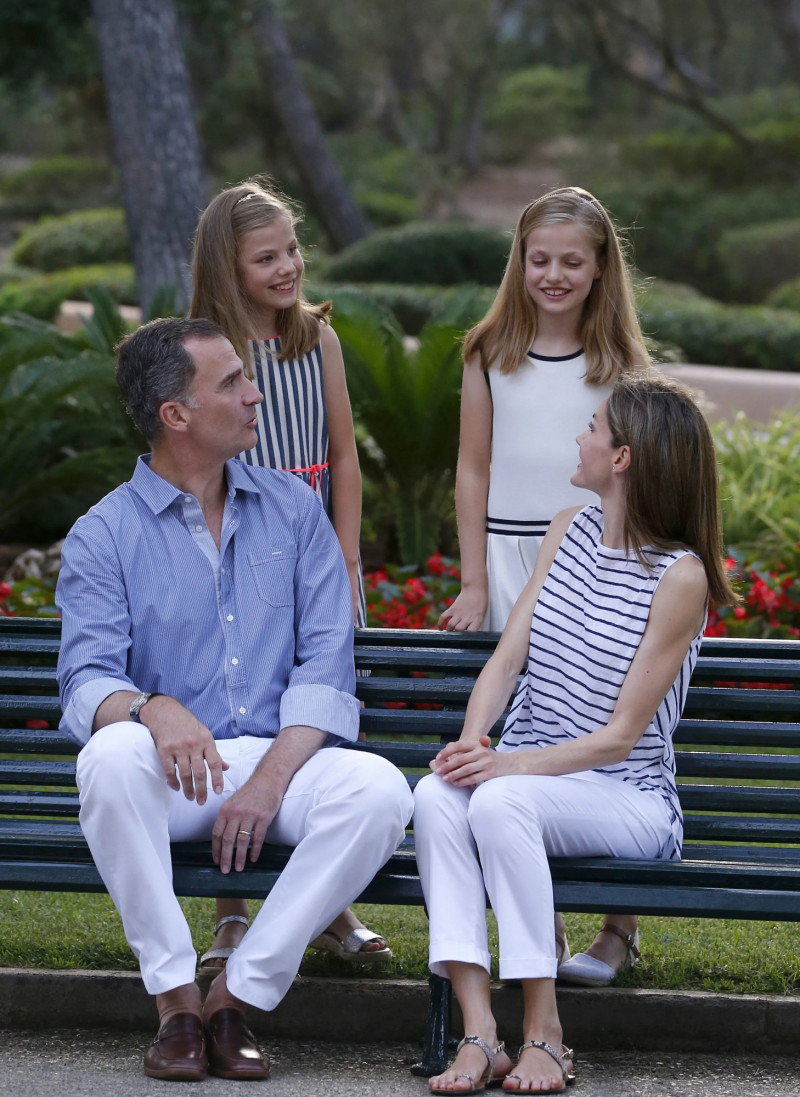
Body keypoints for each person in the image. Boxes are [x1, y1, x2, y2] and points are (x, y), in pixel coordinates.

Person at [56, 317, 413, 1081]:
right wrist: (154, 708)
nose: (256, 395)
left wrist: (269, 781)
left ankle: (233, 999)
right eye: (231, 383)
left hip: (277, 761)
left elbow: (326, 662)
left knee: (380, 790)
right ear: (174, 415)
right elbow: (86, 681)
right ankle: (176, 1005)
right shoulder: (104, 534)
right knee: (109, 758)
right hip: (178, 770)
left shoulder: (294, 509)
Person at [415, 373, 738, 1093]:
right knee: (437, 795)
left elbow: (622, 737)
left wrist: (507, 769)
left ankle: (545, 1032)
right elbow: (508, 658)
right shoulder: (568, 527)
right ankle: (479, 1031)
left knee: (499, 803)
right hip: (531, 777)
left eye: (593, 426)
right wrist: (476, 744)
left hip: (626, 794)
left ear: (622, 457)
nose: (580, 437)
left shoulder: (680, 577)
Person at [438, 186, 649, 985]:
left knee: (596, 720)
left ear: (600, 270)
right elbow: (473, 467)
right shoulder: (489, 351)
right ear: (519, 262)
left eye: (571, 262)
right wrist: (470, 580)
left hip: (596, 560)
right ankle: (543, 928)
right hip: (506, 560)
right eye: (539, 260)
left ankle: (619, 925)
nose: (553, 275)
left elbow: (639, 475)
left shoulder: (620, 365)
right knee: (525, 730)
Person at [190, 178, 387, 968]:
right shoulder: (205, 352)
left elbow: (343, 456)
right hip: (237, 557)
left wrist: (345, 556)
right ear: (226, 265)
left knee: (317, 722)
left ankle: (329, 906)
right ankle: (231, 912)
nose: (287, 267)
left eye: (292, 250)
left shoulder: (318, 341)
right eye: (265, 257)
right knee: (235, 721)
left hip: (318, 562)